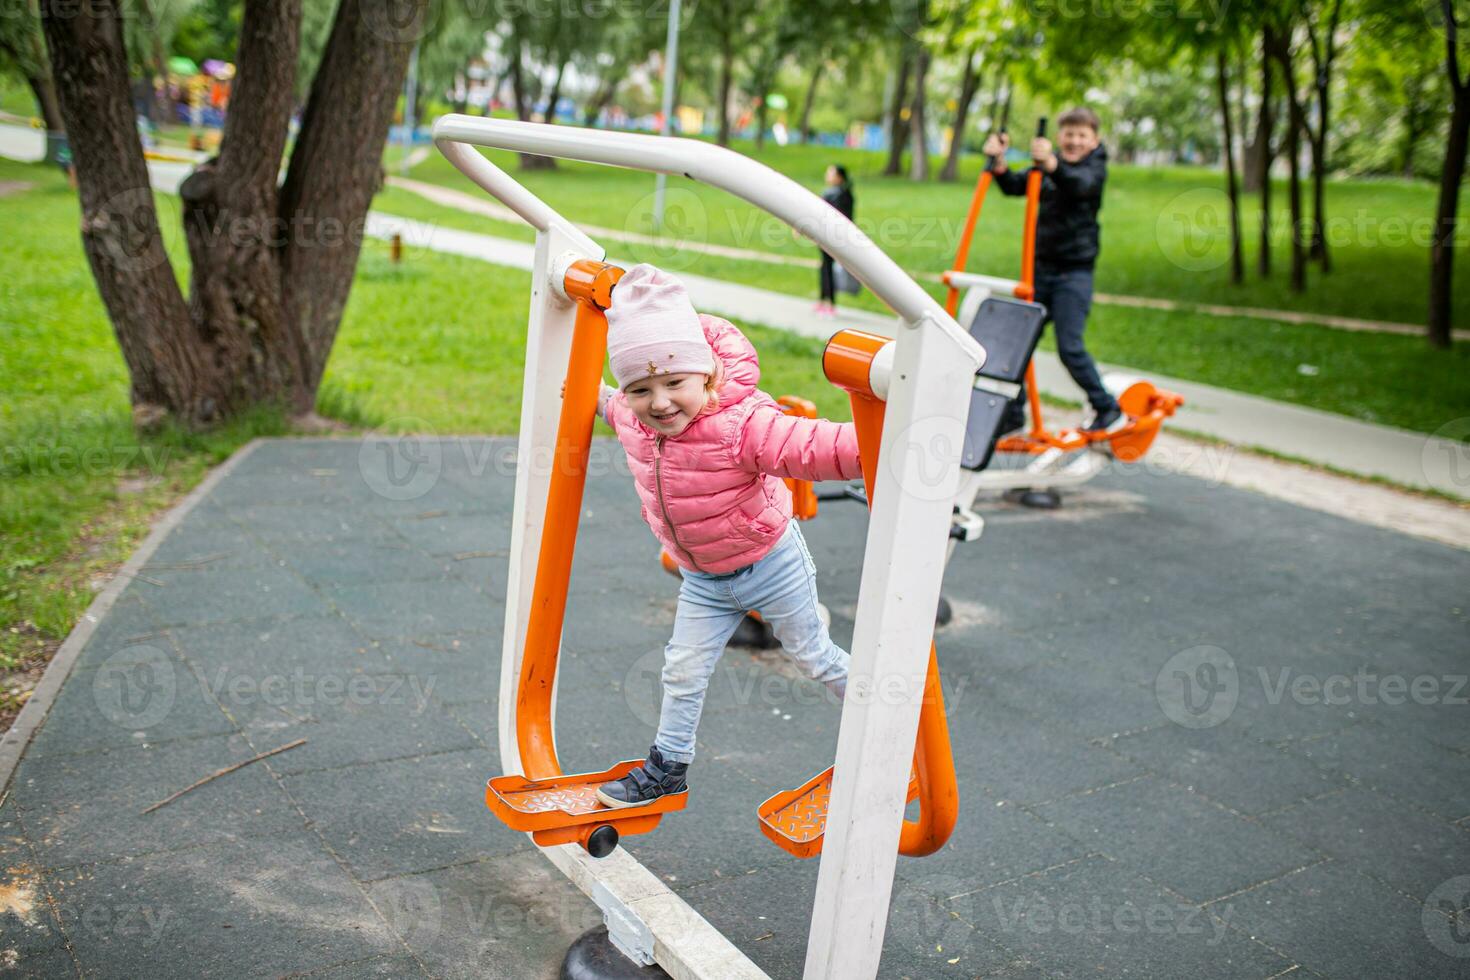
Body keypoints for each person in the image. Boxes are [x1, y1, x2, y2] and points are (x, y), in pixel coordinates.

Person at [586, 264, 862, 808]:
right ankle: (668, 768)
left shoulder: (743, 424)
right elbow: (597, 397)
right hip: (704, 580)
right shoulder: (630, 415)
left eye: (674, 384)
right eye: (641, 389)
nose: (660, 403)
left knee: (813, 656)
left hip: (771, 563)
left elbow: (815, 447)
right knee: (682, 669)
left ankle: (883, 724)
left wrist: (883, 439)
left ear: (706, 374)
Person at [985, 107, 1123, 432]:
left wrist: (1051, 164)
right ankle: (1015, 414)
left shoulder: (1093, 168)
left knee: (1069, 346)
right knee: (1017, 342)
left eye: (1081, 135)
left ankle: (1107, 408)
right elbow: (1015, 185)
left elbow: (1080, 185)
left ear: (1095, 140)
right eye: (1069, 134)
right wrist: (999, 163)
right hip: (1039, 270)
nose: (1074, 141)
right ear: (1059, 136)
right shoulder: (1048, 166)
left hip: (1072, 274)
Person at [815, 164, 854, 318]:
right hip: (833, 236)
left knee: (827, 268)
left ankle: (829, 303)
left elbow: (825, 215)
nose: (828, 175)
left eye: (831, 173)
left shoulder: (836, 194)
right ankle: (824, 300)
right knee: (825, 267)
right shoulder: (845, 193)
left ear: (839, 177)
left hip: (830, 237)